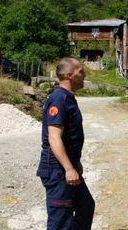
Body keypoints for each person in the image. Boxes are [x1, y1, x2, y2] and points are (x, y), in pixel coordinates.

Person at [36, 57, 95, 229]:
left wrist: (75, 163)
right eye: (81, 72)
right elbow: (54, 138)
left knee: (85, 206)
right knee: (61, 221)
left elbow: (70, 137)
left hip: (68, 167)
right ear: (70, 75)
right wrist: (68, 168)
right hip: (58, 171)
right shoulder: (58, 99)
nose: (84, 75)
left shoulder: (67, 98)